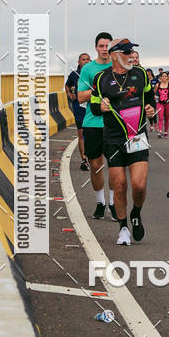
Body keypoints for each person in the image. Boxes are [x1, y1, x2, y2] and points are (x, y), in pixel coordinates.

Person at [91, 39, 155, 245]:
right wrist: (100, 107)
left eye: (133, 51)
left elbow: (150, 98)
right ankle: (123, 228)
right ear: (115, 54)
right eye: (127, 51)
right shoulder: (101, 79)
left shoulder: (141, 74)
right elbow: (93, 106)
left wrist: (151, 110)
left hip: (137, 136)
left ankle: (136, 212)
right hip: (113, 138)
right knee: (119, 185)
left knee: (138, 184)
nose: (131, 55)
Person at [77, 32, 116, 220]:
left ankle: (114, 203)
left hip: (115, 123)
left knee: (116, 166)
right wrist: (99, 87)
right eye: (101, 46)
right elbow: (80, 96)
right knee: (96, 165)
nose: (105, 49)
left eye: (108, 46)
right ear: (96, 48)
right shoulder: (88, 69)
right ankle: (100, 202)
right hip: (93, 122)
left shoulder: (118, 66)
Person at [65, 52, 91, 170]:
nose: (85, 61)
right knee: (81, 132)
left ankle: (92, 156)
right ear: (79, 62)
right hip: (79, 107)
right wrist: (70, 94)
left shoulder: (93, 73)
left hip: (92, 107)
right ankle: (84, 160)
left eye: (87, 59)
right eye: (83, 59)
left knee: (91, 133)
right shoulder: (74, 74)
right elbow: (67, 85)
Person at [155, 70, 169, 138]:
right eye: (163, 76)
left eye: (165, 76)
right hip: (160, 103)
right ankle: (160, 131)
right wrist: (155, 97)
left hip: (168, 103)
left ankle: (166, 132)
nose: (164, 77)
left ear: (168, 77)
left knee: (167, 118)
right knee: (160, 117)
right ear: (161, 77)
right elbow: (155, 92)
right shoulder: (158, 85)